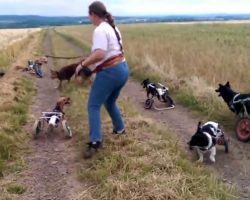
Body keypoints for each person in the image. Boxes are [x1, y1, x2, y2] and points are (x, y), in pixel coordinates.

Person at [75, 1, 129, 159]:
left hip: (110, 72)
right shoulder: (112, 27)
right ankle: (120, 129)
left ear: (93, 14)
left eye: (89, 15)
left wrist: (82, 64)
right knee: (110, 101)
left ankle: (95, 142)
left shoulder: (100, 30)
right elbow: (109, 52)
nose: (88, 18)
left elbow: (100, 54)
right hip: (123, 69)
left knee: (93, 105)